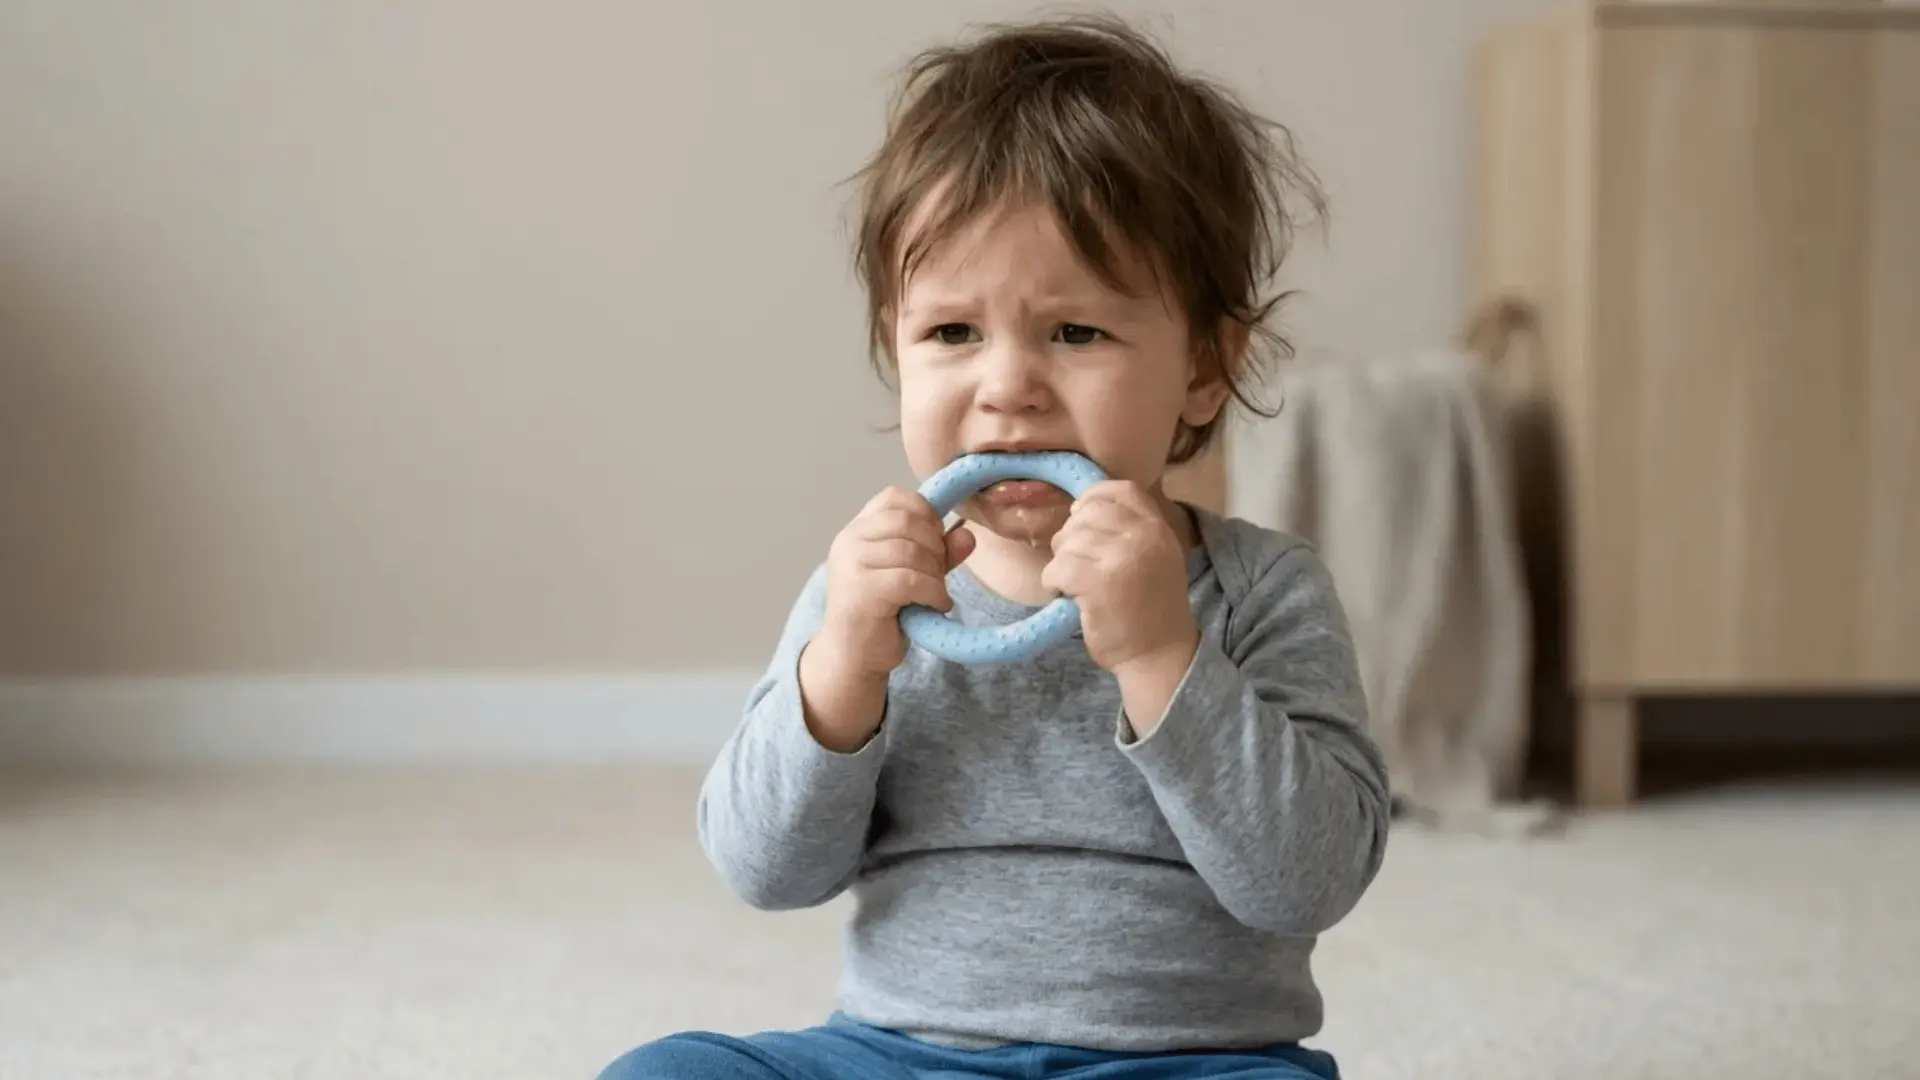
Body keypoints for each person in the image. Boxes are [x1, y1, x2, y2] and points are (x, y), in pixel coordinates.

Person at [598, 13, 1390, 1080]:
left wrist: (1167, 658)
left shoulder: (1264, 591)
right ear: (895, 348)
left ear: (1206, 366)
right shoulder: (870, 593)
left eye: (1076, 332)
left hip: (1189, 1062)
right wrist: (840, 674)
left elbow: (1310, 880)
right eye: (952, 334)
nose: (1006, 384)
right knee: (666, 1074)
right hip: (899, 1055)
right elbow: (764, 870)